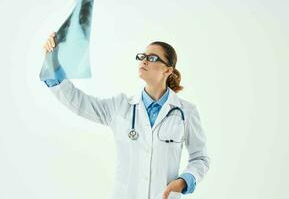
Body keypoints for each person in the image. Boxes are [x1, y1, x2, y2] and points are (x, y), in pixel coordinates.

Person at [43, 31, 210, 199]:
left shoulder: (186, 112)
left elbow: (200, 158)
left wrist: (184, 181)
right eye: (143, 56)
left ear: (168, 70)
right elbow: (79, 103)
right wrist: (52, 62)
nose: (144, 60)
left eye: (152, 58)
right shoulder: (120, 107)